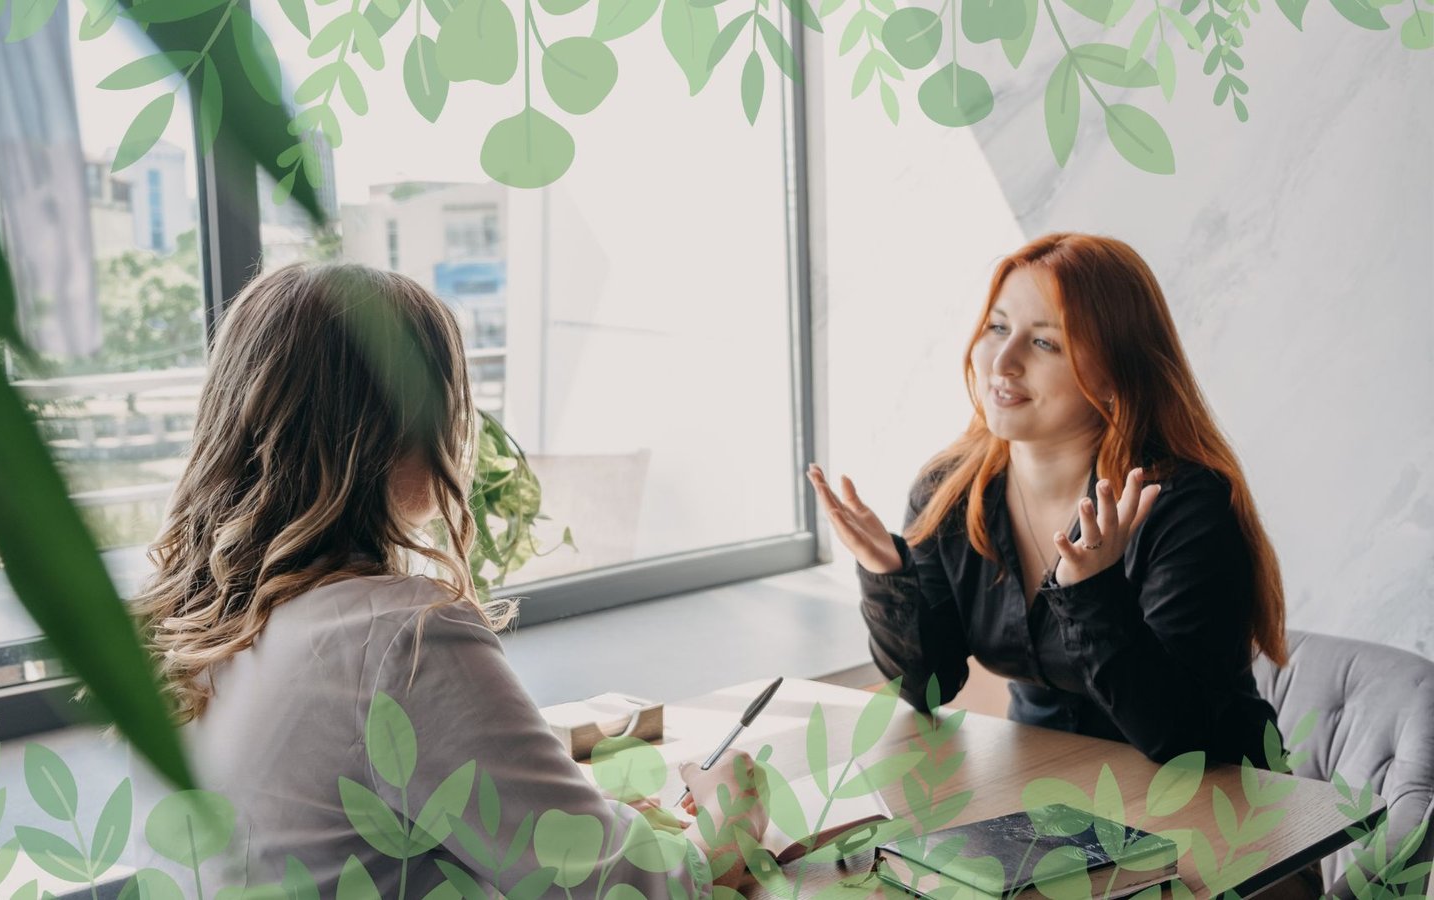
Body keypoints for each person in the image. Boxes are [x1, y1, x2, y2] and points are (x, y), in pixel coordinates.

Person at [132, 263, 764, 898]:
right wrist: (729, 819)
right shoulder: (395, 638)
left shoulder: (193, 627)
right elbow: (631, 890)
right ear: (389, 429)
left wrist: (592, 821)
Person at [808, 233, 1291, 770]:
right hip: (1049, 799)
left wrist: (1093, 592)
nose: (1003, 361)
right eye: (997, 327)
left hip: (1224, 808)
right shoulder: (948, 491)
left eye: (1045, 343)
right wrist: (887, 574)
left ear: (1114, 373)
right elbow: (931, 687)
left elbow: (1182, 738)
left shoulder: (1184, 507)